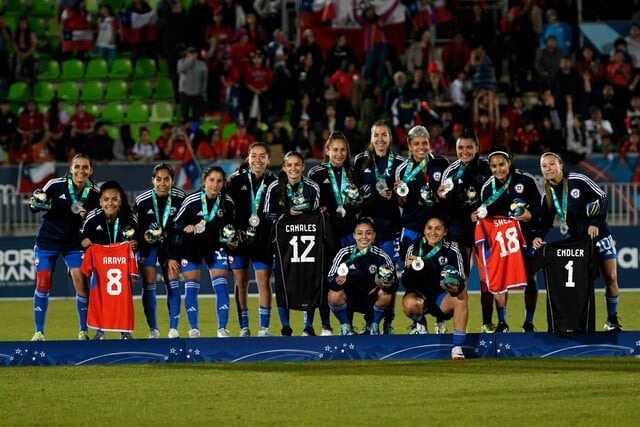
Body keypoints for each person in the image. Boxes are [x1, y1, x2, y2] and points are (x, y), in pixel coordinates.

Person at [532, 152, 622, 332]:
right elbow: (545, 221)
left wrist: (594, 222)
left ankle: (611, 319)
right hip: (575, 241)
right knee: (579, 284)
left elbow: (602, 197)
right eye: (544, 166)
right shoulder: (547, 194)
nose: (548, 168)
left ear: (560, 165)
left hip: (600, 236)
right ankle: (576, 322)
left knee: (610, 278)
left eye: (552, 164)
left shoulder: (578, 180)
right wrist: (539, 236)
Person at [29, 153, 100, 341]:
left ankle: (83, 331)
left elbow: (96, 221)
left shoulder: (95, 193)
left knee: (81, 282)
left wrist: (87, 218)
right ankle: (39, 332)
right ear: (71, 169)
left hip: (74, 242)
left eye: (85, 167)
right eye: (77, 167)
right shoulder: (54, 185)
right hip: (48, 240)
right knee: (43, 281)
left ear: (91, 170)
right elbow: (34, 205)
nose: (81, 171)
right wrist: (36, 201)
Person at [471, 149, 542, 332]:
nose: (498, 169)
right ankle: (502, 322)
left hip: (526, 236)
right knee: (501, 279)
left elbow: (539, 210)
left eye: (501, 164)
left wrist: (529, 216)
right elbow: (485, 217)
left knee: (529, 277)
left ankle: (529, 322)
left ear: (509, 162)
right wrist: (477, 216)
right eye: (494, 166)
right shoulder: (487, 188)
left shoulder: (526, 180)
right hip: (503, 241)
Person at [395, 124, 449, 333]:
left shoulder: (441, 163)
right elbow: (401, 203)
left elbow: (447, 195)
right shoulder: (402, 169)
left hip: (437, 230)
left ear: (430, 143)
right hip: (412, 229)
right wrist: (399, 195)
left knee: (439, 271)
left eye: (424, 143)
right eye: (416, 143)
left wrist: (442, 196)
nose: (420, 147)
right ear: (409, 146)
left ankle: (439, 316)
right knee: (413, 274)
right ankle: (419, 321)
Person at [437, 129, 493, 332]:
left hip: (482, 229)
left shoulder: (487, 169)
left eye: (469, 147)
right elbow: (444, 206)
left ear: (477, 148)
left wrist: (481, 213)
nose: (465, 151)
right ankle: (452, 323)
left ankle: (487, 322)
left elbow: (494, 197)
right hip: (458, 230)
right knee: (459, 278)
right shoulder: (451, 171)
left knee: (487, 277)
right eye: (461, 147)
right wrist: (440, 197)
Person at [170, 165, 235, 338]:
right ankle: (194, 329)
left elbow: (231, 226)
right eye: (211, 180)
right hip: (191, 247)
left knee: (221, 284)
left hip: (215, 247)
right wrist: (186, 226)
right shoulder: (191, 200)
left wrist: (231, 235)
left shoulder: (227, 202)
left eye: (219, 181)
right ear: (204, 181)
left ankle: (222, 328)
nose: (215, 184)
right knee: (191, 287)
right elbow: (176, 223)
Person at [308, 131, 361, 336]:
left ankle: (347, 324)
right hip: (327, 236)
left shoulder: (353, 172)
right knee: (325, 279)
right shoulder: (317, 174)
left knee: (349, 278)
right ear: (327, 151)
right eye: (335, 149)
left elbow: (360, 202)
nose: (339, 154)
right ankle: (325, 324)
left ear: (347, 152)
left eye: (342, 150)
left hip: (350, 234)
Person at [353, 120, 404, 333]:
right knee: (368, 276)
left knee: (388, 278)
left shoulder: (400, 163)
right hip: (367, 233)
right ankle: (369, 320)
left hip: (390, 230)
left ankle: (388, 322)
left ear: (390, 138)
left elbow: (405, 199)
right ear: (371, 138)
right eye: (376, 135)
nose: (380, 139)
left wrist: (396, 194)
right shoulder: (360, 161)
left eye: (384, 135)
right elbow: (352, 195)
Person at [264, 151, 321, 335]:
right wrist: (287, 214)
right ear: (284, 168)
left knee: (308, 280)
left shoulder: (312, 187)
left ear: (303, 166)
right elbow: (266, 214)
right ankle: (286, 327)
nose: (294, 169)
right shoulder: (275, 187)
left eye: (297, 165)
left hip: (306, 243)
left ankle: (308, 326)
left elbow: (317, 214)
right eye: (289, 165)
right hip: (282, 245)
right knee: (283, 281)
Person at [226, 142, 277, 337]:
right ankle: (244, 327)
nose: (258, 160)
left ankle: (264, 329)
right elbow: (227, 209)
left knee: (264, 280)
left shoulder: (274, 181)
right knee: (241, 282)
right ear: (248, 158)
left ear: (268, 160)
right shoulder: (235, 180)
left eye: (262, 156)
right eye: (254, 155)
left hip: (263, 240)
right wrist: (233, 231)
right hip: (239, 239)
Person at [401, 215, 468, 359]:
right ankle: (420, 323)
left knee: (462, 296)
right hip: (420, 296)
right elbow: (406, 283)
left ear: (445, 232)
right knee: (409, 303)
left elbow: (461, 281)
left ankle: (457, 346)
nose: (433, 232)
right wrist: (408, 269)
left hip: (441, 297)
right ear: (424, 230)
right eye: (429, 228)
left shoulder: (451, 250)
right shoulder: (413, 247)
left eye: (438, 229)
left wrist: (454, 286)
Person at [80, 180, 138, 339]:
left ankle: (124, 332)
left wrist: (135, 244)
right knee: (98, 296)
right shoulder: (93, 216)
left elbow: (138, 238)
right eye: (106, 199)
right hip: (101, 264)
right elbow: (81, 236)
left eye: (114, 199)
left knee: (124, 296)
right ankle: (99, 331)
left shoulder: (129, 217)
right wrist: (84, 241)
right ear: (100, 201)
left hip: (121, 263)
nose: (110, 203)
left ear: (120, 200)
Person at [134, 163, 187, 338]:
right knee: (149, 283)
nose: (162, 183)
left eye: (167, 179)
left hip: (171, 246)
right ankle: (153, 330)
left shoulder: (181, 198)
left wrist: (172, 256)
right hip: (148, 247)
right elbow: (135, 228)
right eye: (158, 179)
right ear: (152, 180)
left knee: (172, 281)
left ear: (172, 181)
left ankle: (173, 329)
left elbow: (181, 230)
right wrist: (144, 238)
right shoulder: (142, 201)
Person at [327, 217, 397, 335]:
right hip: (349, 299)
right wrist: (337, 281)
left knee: (385, 294)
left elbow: (394, 281)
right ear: (354, 235)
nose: (364, 237)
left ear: (374, 235)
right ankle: (345, 326)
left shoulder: (382, 256)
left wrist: (387, 285)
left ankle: (374, 325)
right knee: (333, 295)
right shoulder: (344, 253)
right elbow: (330, 277)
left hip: (371, 299)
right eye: (360, 233)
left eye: (368, 233)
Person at [177, 46, 208, 122]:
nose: (192, 55)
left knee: (196, 115)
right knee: (184, 115)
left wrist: (203, 89)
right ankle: (185, 131)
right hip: (184, 92)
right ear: (187, 54)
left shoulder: (201, 64)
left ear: (197, 54)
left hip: (197, 93)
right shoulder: (181, 62)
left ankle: (195, 131)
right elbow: (181, 70)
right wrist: (189, 61)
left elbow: (204, 78)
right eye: (190, 53)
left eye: (194, 53)